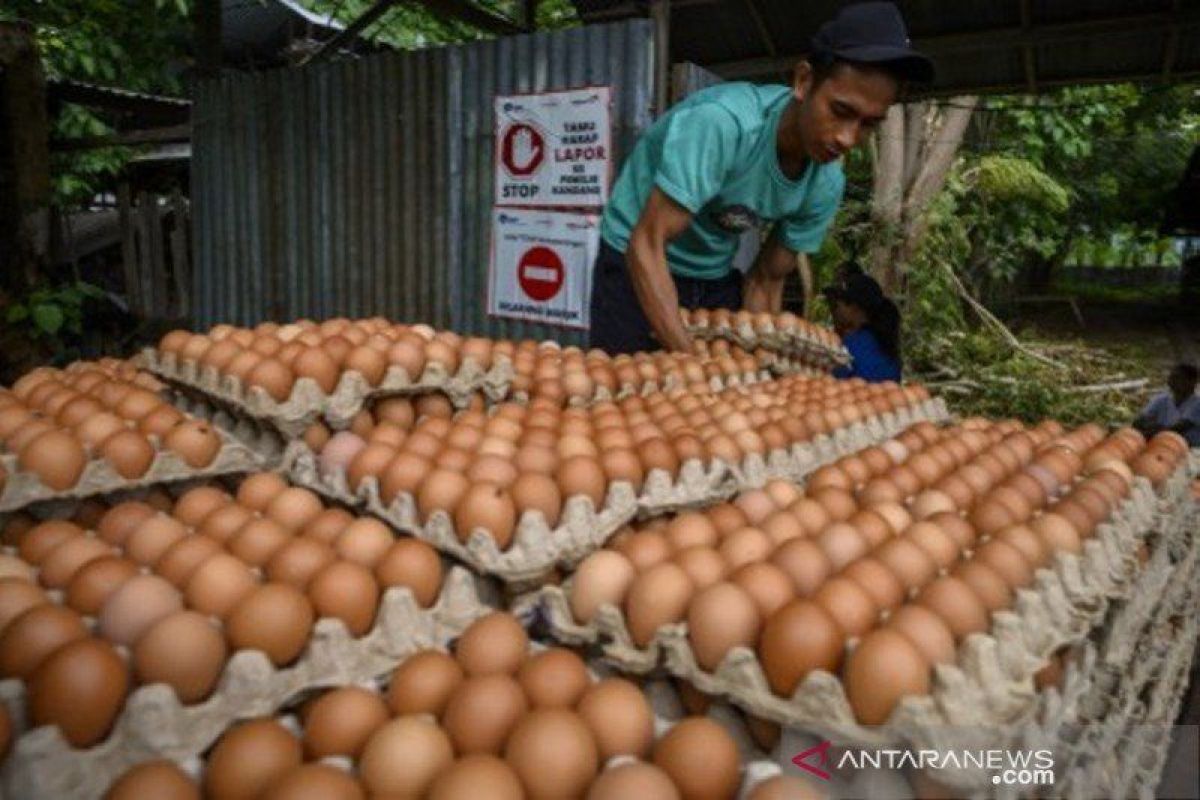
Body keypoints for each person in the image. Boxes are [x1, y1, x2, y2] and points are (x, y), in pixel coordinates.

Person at [587, 2, 933, 354]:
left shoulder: (826, 182)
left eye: (869, 123)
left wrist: (762, 367)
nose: (847, 138)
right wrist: (691, 361)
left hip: (713, 276)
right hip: (636, 257)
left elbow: (767, 281)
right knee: (637, 392)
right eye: (840, 111)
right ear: (803, 81)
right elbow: (646, 244)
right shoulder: (722, 125)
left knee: (731, 393)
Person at [824, 271, 902, 382]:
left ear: (854, 308)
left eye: (837, 305)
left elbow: (832, 383)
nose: (835, 311)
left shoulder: (850, 346)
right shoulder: (887, 344)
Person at [1134, 363, 1200, 447]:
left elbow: (1177, 429)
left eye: (1178, 378)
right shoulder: (1161, 399)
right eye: (1172, 377)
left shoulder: (1197, 404)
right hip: (1162, 443)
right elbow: (1138, 421)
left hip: (1191, 448)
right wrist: (1153, 428)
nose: (1172, 380)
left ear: (1192, 382)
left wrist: (1152, 429)